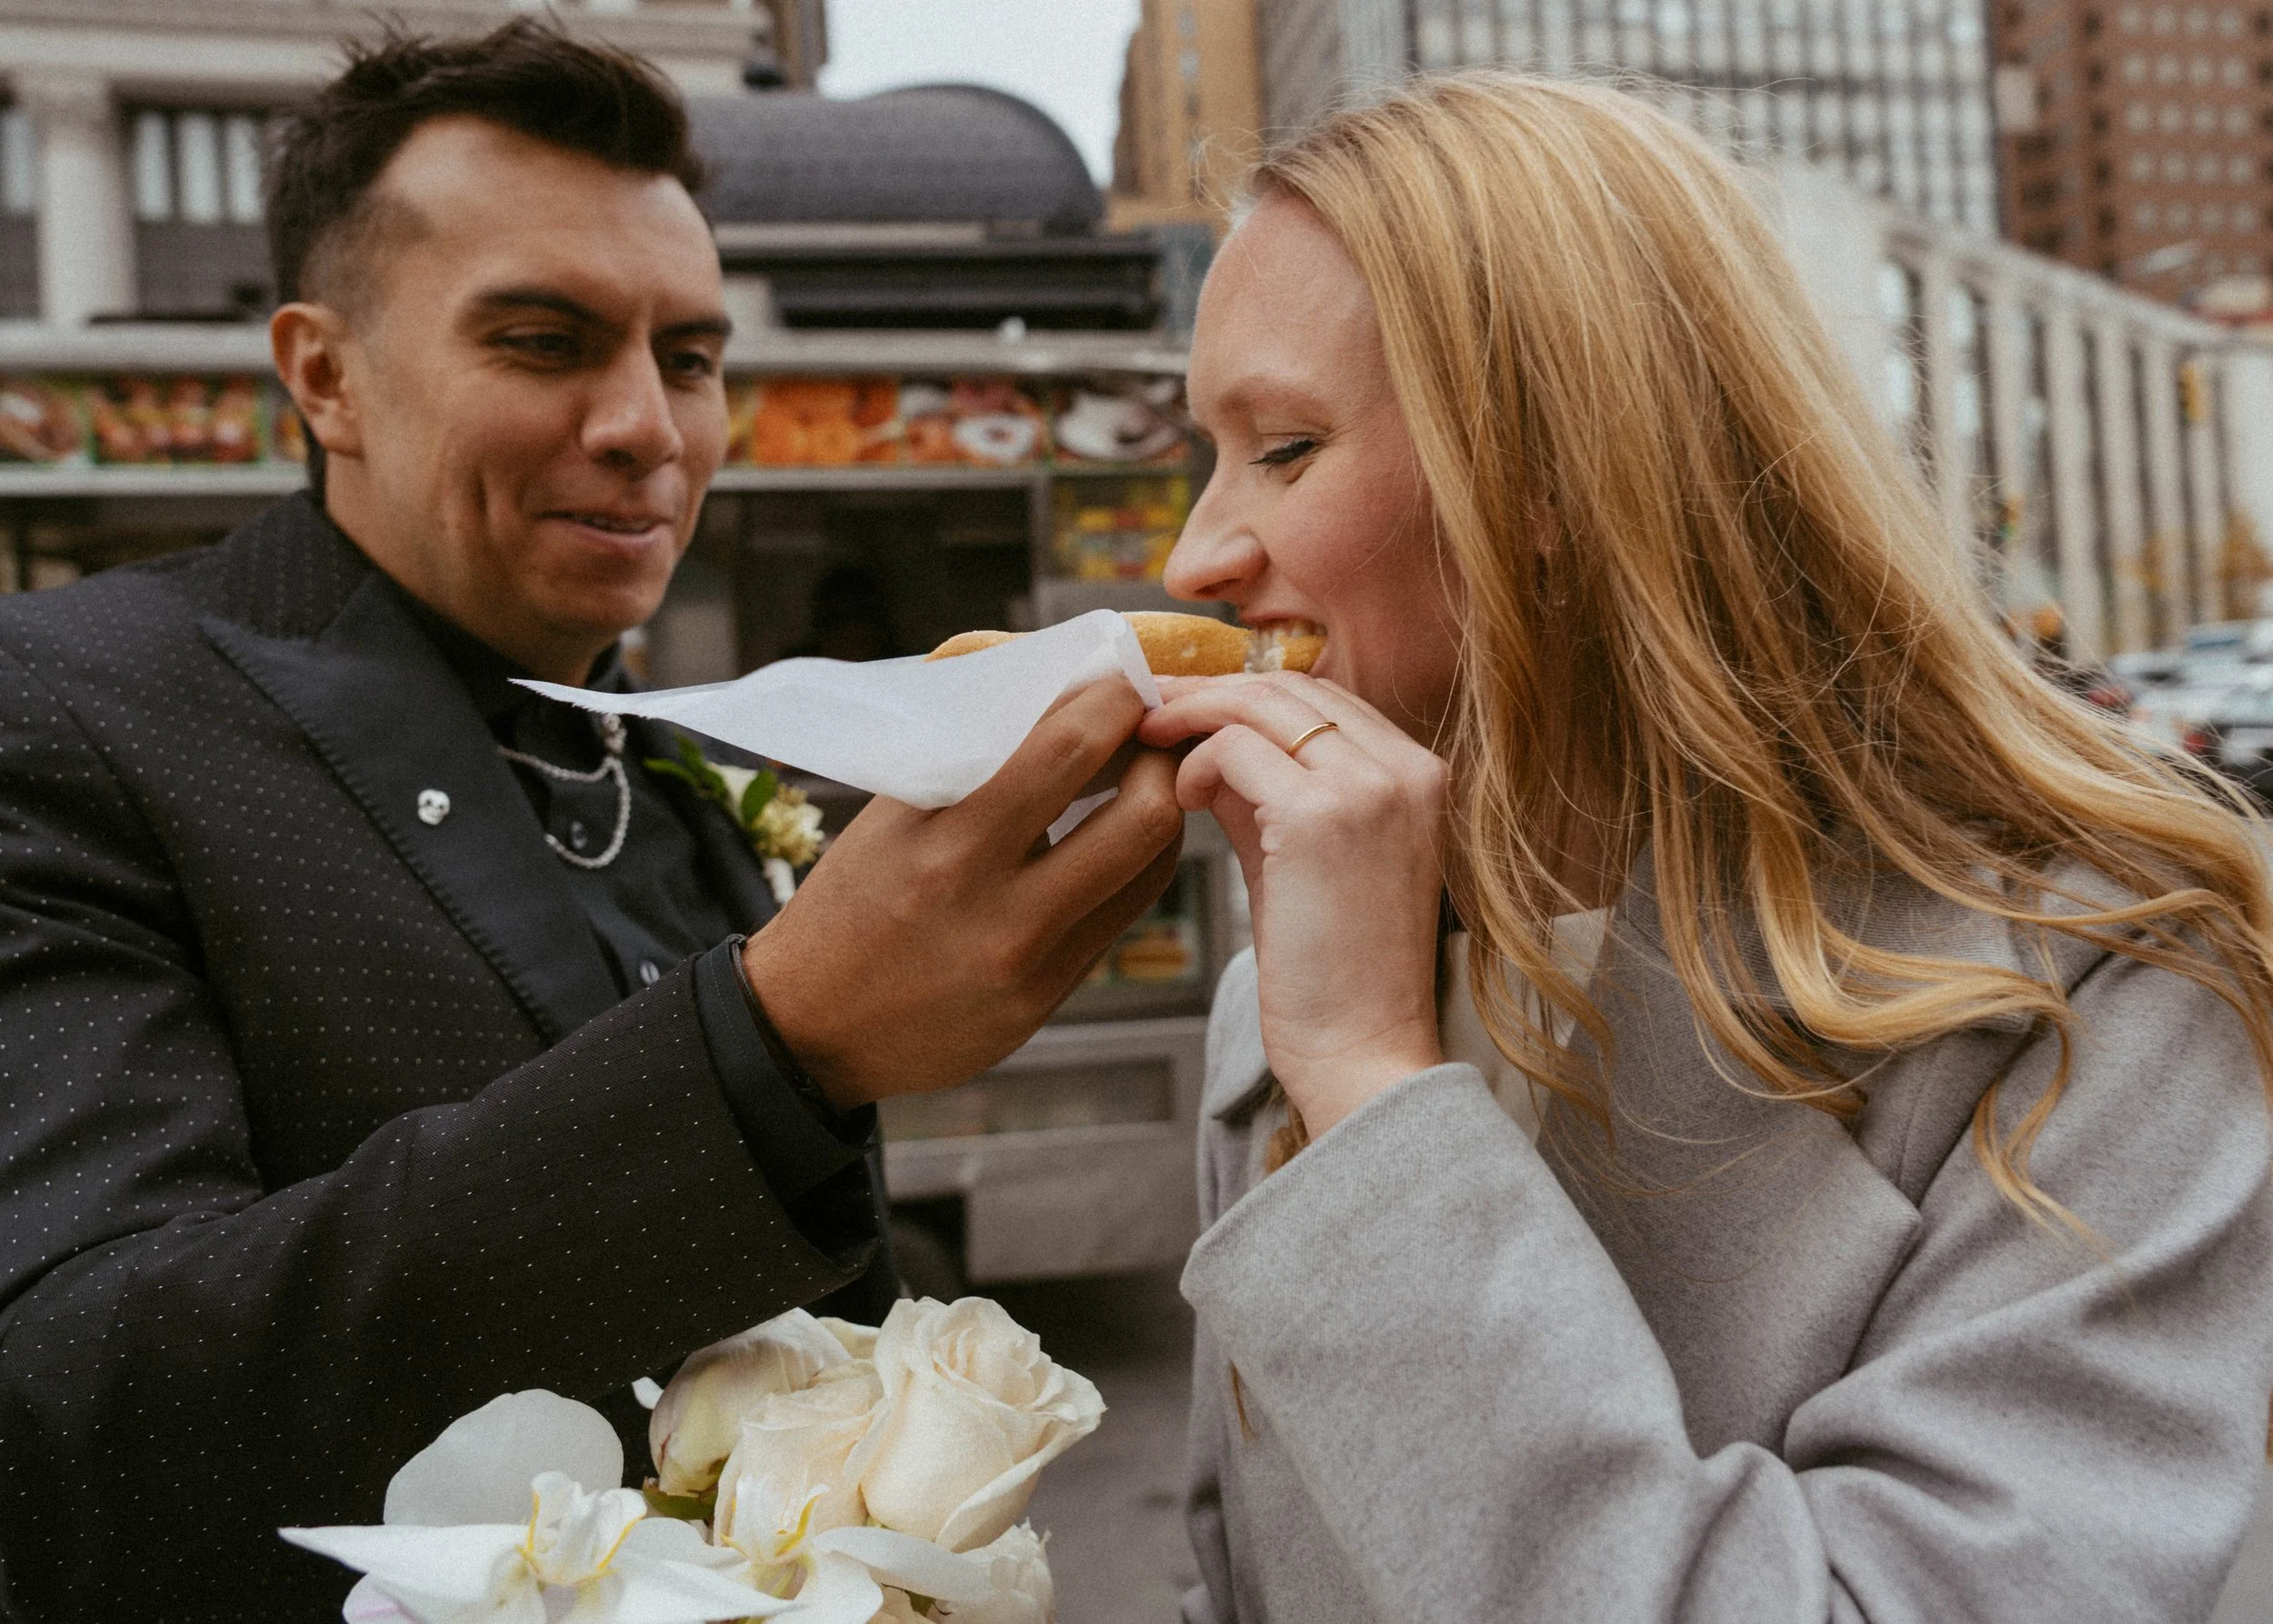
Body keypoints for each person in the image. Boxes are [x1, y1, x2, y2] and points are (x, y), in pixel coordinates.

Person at [0, 23, 1180, 1623]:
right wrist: (776, 1045)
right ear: (323, 373)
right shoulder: (66, 712)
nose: (649, 428)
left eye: (689, 358)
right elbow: (71, 1427)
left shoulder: (690, 771)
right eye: (546, 341)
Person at [1140, 72, 2273, 1623]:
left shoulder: (2098, 998)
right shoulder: (1289, 988)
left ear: (1545, 468)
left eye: (1282, 450)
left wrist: (1369, 1084)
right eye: (1203, 454)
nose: (1195, 555)